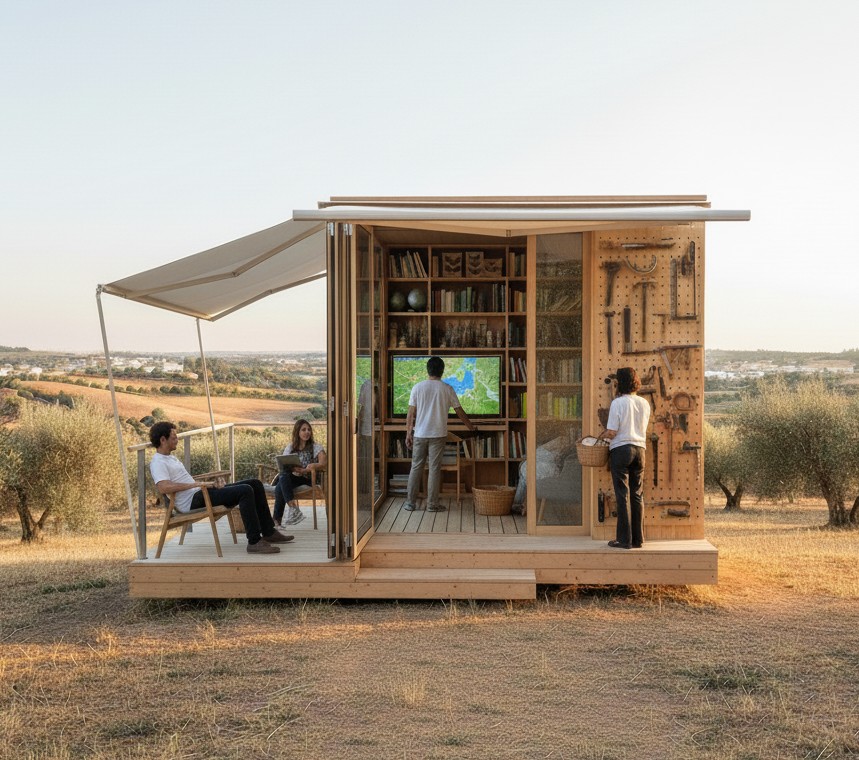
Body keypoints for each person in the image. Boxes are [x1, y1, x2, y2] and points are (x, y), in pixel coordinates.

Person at [149, 421, 293, 554]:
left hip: (200, 492)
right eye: (173, 437)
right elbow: (164, 487)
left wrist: (210, 484)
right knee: (245, 491)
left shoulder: (170, 457)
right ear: (163, 440)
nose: (177, 440)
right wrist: (196, 484)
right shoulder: (158, 462)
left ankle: (268, 532)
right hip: (193, 501)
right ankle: (254, 541)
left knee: (255, 483)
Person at [404, 356, 476, 512]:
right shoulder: (447, 389)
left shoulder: (417, 387)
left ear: (427, 370)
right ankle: (432, 505)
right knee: (434, 469)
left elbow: (410, 414)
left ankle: (410, 503)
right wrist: (471, 427)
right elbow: (459, 411)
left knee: (416, 467)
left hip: (420, 434)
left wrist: (408, 433)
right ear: (442, 371)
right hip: (438, 435)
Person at [603, 367, 651, 549]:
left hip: (622, 450)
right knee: (637, 495)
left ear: (619, 383)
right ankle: (638, 539)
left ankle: (624, 540)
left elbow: (613, 432)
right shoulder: (644, 403)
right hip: (640, 451)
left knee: (622, 495)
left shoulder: (618, 403)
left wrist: (602, 435)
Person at [273, 418, 328, 526]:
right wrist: (293, 469)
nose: (307, 432)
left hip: (309, 478)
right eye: (303, 430)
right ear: (297, 432)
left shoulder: (316, 447)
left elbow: (323, 463)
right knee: (284, 475)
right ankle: (292, 510)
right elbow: (283, 464)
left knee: (281, 483)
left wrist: (310, 467)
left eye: (308, 430)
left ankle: (277, 520)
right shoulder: (290, 447)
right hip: (293, 478)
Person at [511, 430, 575, 515]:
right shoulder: (562, 443)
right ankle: (519, 504)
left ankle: (518, 503)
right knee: (526, 468)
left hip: (555, 471)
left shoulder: (562, 441)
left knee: (526, 466)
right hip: (551, 466)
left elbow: (556, 459)